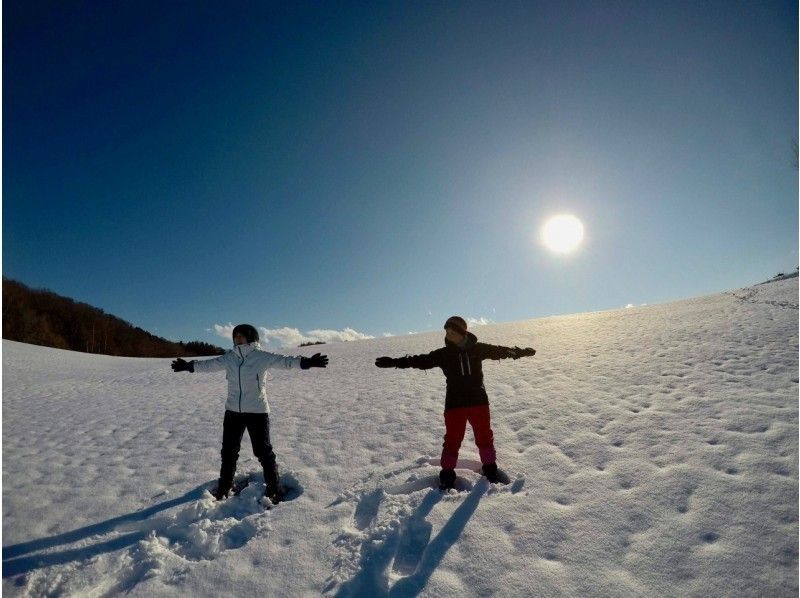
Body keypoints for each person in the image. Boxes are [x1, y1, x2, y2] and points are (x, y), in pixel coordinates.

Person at [171, 324, 328, 503]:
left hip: (257, 412)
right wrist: (189, 366)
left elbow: (285, 361)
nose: (237, 338)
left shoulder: (261, 356)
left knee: (263, 452)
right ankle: (224, 487)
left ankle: (274, 489)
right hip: (233, 412)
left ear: (251, 337)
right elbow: (209, 365)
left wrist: (307, 362)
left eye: (241, 335)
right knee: (228, 452)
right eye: (235, 335)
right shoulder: (230, 357)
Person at [375, 316, 535, 489]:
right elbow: (419, 360)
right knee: (452, 440)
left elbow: (500, 351)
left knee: (484, 437)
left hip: (479, 403)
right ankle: (447, 474)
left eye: (452, 332)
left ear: (462, 333)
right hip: (454, 406)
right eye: (447, 332)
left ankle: (490, 469)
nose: (448, 335)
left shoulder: (478, 349)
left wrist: (520, 352)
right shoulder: (444, 354)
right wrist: (395, 362)